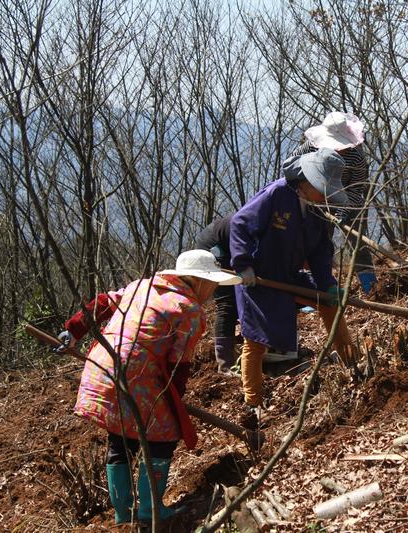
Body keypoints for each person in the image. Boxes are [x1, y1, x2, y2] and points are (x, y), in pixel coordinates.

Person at [57, 251, 240, 525]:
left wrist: (73, 330)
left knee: (120, 437)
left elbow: (103, 302)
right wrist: (174, 401)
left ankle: (123, 513)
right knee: (163, 437)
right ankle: (149, 510)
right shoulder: (190, 310)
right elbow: (179, 365)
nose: (213, 290)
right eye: (212, 283)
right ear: (198, 280)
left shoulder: (140, 286)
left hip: (102, 366)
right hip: (139, 375)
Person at [230, 148, 360, 410]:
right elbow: (240, 224)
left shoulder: (318, 210)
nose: (325, 196)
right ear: (308, 180)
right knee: (255, 341)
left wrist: (327, 285)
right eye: (322, 189)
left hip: (289, 276)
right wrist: (243, 264)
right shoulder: (276, 194)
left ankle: (351, 363)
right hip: (258, 278)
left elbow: (320, 252)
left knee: (330, 304)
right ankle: (253, 403)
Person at [290, 112, 377, 294]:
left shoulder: (356, 157)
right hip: (318, 198)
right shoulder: (310, 148)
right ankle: (318, 284)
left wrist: (344, 211)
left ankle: (370, 284)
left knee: (357, 241)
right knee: (319, 241)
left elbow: (356, 189)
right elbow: (292, 166)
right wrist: (305, 191)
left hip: (349, 199)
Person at [194, 215, 239, 375]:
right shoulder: (259, 224)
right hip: (214, 246)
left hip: (232, 244)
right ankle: (225, 363)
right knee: (227, 302)